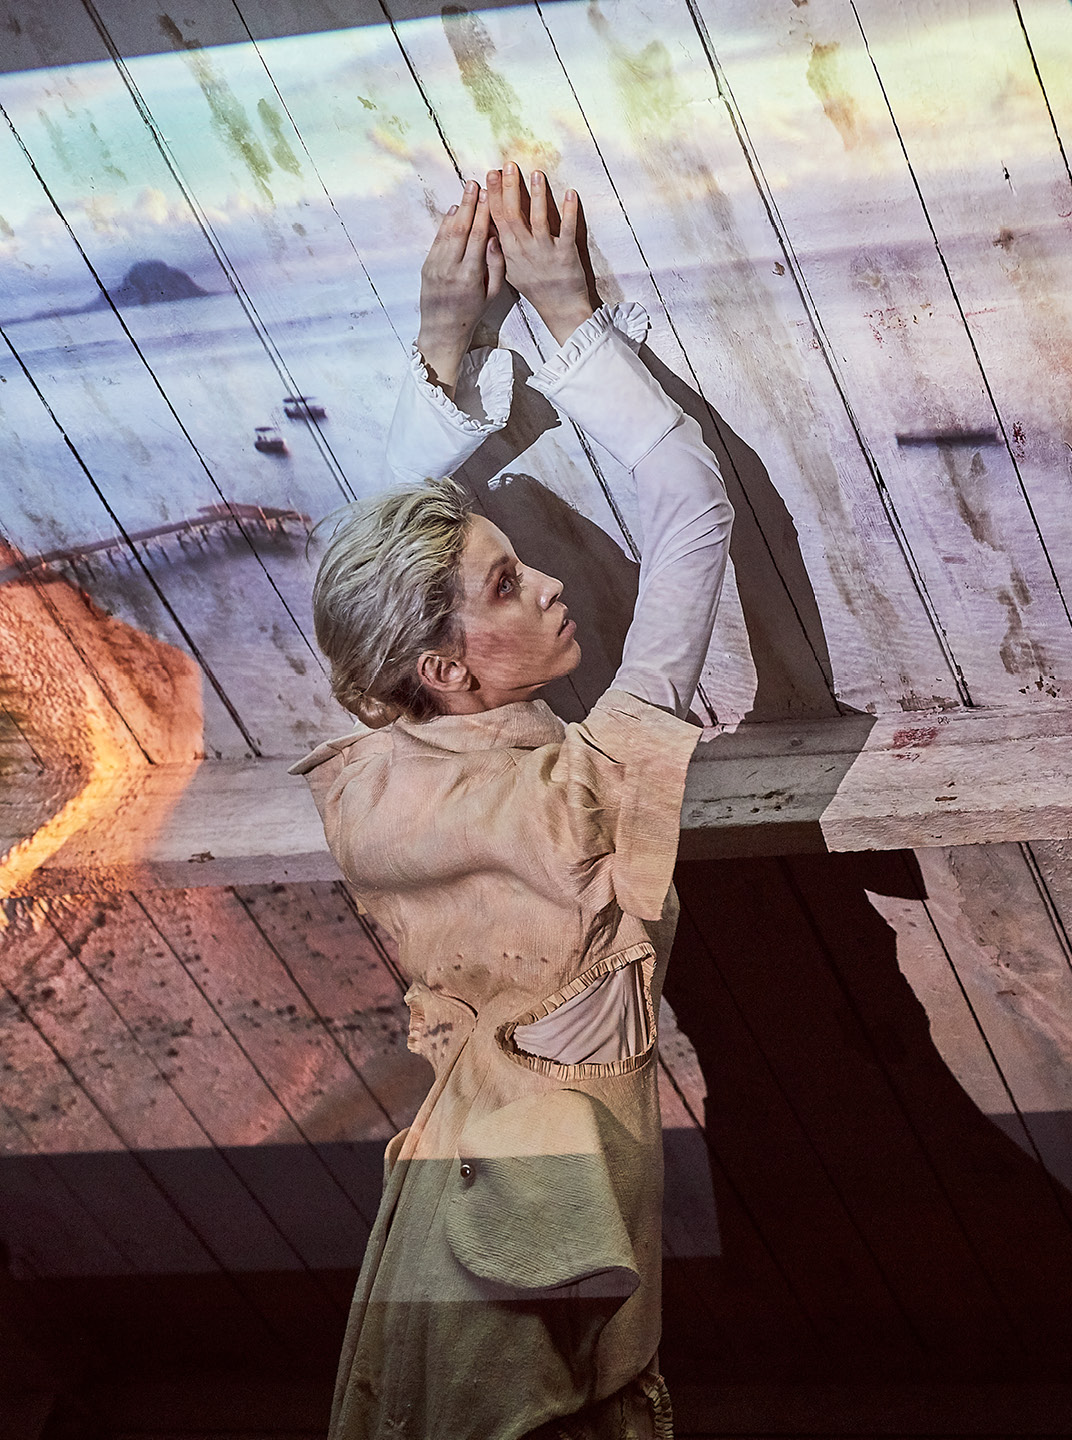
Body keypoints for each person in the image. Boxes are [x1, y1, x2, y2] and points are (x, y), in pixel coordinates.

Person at [292, 161, 733, 1440]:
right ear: (444, 670)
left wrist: (444, 354)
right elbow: (690, 507)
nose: (549, 585)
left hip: (448, 1230)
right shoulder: (592, 794)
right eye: (503, 588)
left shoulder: (371, 778)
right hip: (531, 1256)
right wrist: (573, 326)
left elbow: (361, 558)